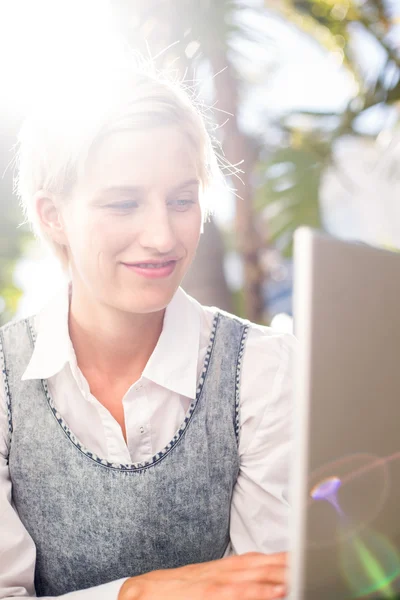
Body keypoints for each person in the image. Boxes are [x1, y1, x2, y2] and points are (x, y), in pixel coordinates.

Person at [0, 61, 296, 600]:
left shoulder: (268, 368)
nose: (162, 236)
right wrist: (143, 592)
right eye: (124, 203)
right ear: (52, 216)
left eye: (182, 201)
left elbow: (270, 587)